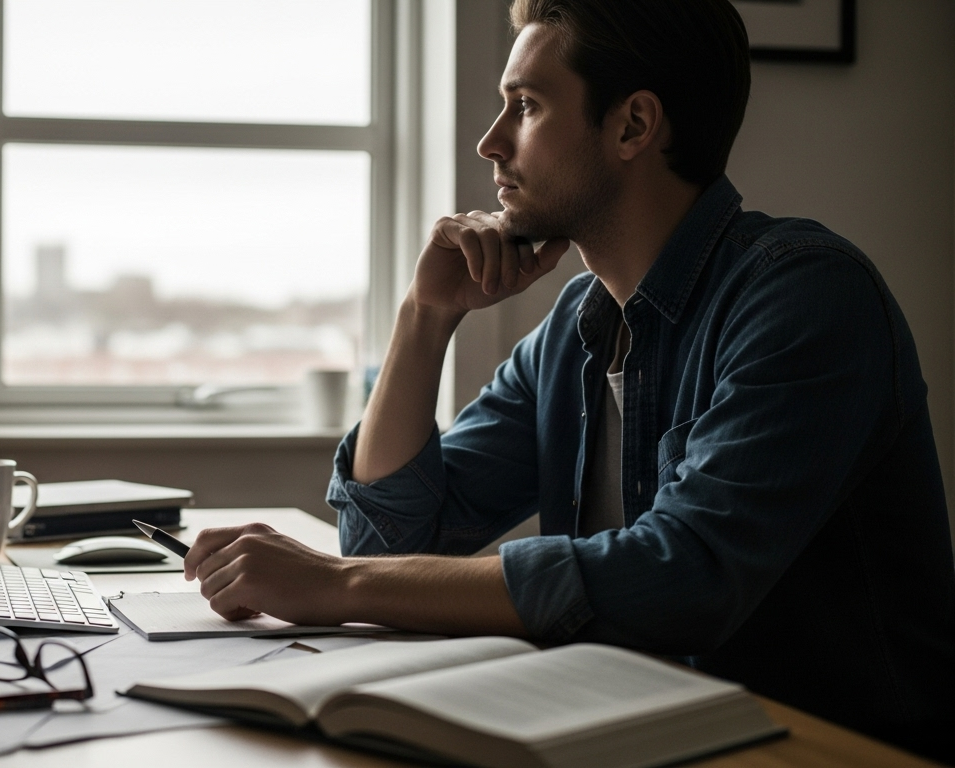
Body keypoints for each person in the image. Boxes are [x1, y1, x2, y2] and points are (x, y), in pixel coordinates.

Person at [182, 0, 955, 759]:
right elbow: (388, 536)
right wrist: (425, 317)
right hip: (628, 730)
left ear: (632, 126)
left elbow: (683, 576)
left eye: (525, 106)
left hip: (817, 750)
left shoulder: (807, 296)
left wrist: (337, 587)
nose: (490, 143)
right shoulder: (575, 325)